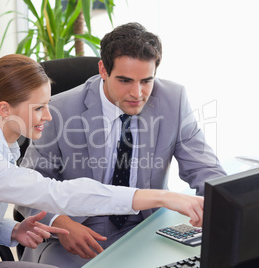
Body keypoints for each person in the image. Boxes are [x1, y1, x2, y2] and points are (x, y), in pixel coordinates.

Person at [0, 54, 204, 268]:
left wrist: (12, 232)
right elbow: (61, 194)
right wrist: (164, 196)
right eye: (39, 107)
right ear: (4, 109)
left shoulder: (1, 145)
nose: (48, 115)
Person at [16, 22, 227, 267]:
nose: (137, 93)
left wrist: (222, 208)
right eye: (125, 81)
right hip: (79, 232)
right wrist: (60, 223)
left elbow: (204, 168)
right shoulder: (60, 109)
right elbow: (26, 184)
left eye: (146, 81)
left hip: (147, 227)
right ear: (103, 70)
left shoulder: (174, 100)